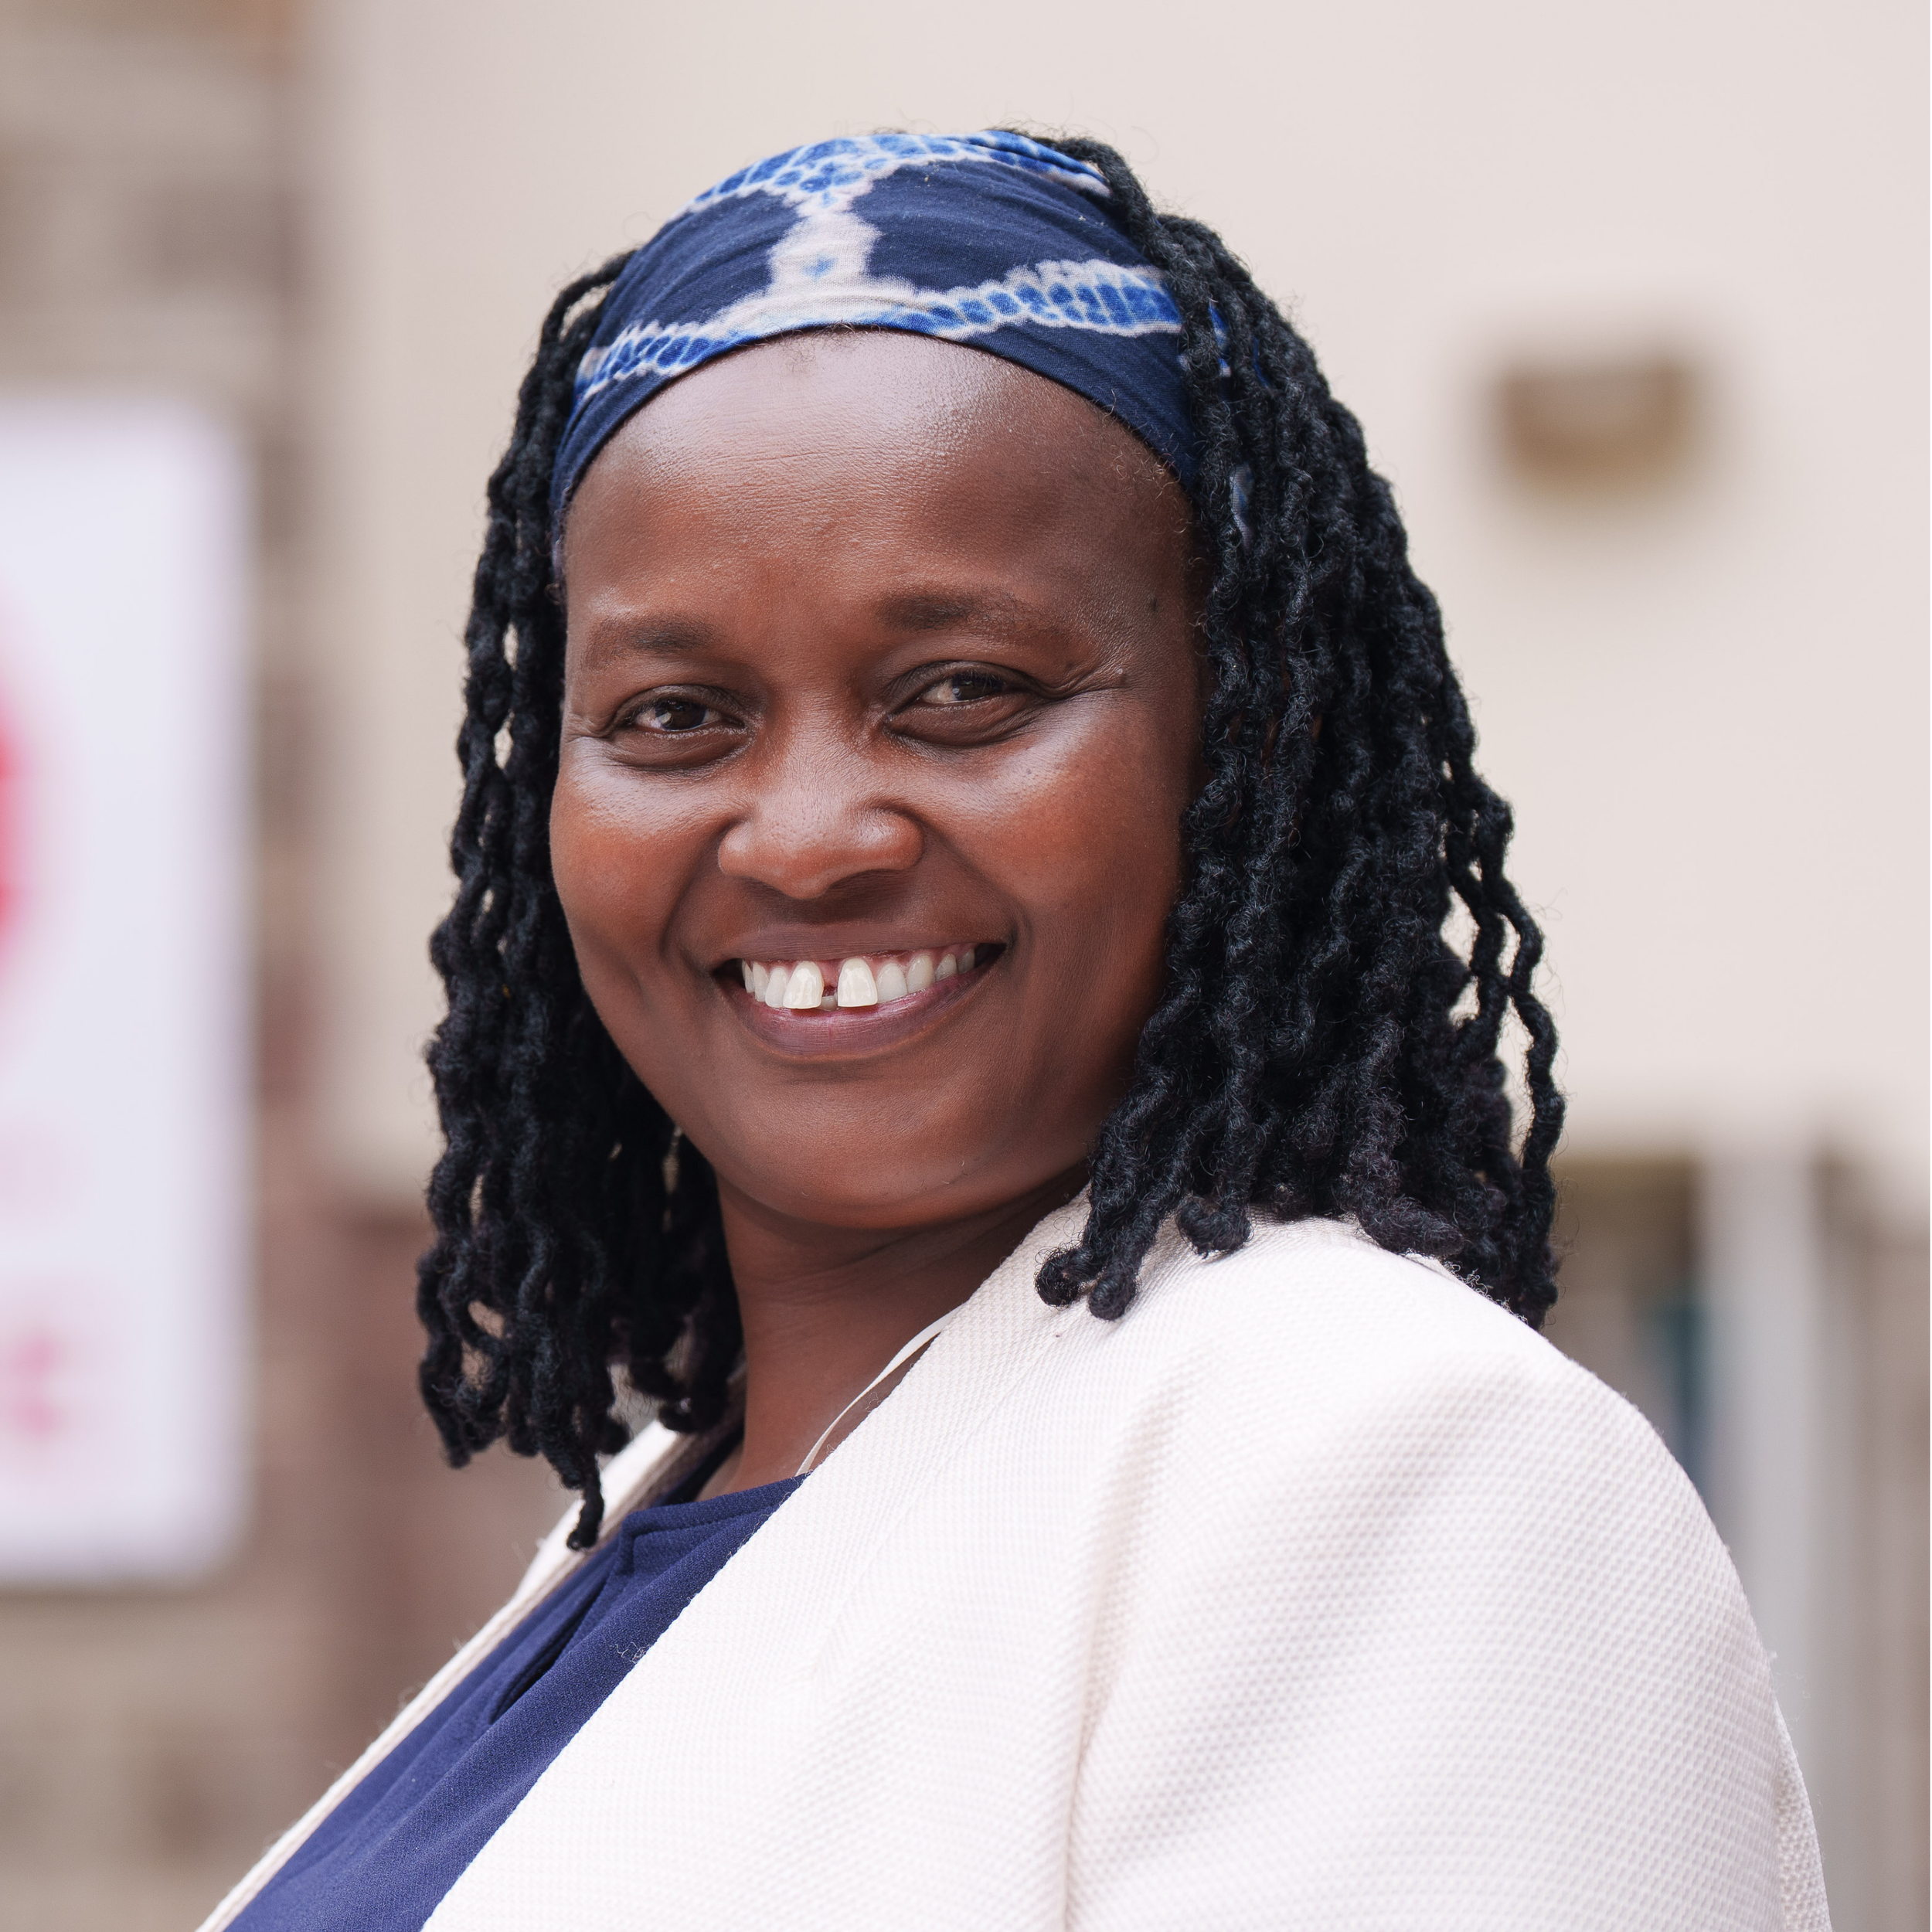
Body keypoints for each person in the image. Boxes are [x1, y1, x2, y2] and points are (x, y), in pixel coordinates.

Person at [200, 131, 1828, 1930]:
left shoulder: (1380, 1457)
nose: (807, 834)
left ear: (1244, 748)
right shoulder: (667, 1528)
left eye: (962, 692)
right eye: (674, 713)